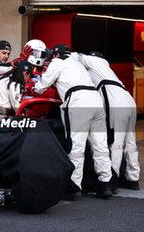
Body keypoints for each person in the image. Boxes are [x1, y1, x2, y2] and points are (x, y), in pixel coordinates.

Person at [33, 44, 113, 199]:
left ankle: (74, 187)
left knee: (76, 145)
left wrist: (35, 89)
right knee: (100, 145)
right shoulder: (78, 63)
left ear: (56, 55)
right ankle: (105, 184)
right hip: (96, 101)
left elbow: (43, 84)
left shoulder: (57, 62)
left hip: (78, 102)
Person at [76, 51, 140, 193]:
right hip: (128, 98)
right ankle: (133, 179)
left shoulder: (94, 62)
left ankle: (112, 181)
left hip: (115, 100)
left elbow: (74, 56)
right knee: (130, 143)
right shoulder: (107, 69)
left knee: (115, 143)